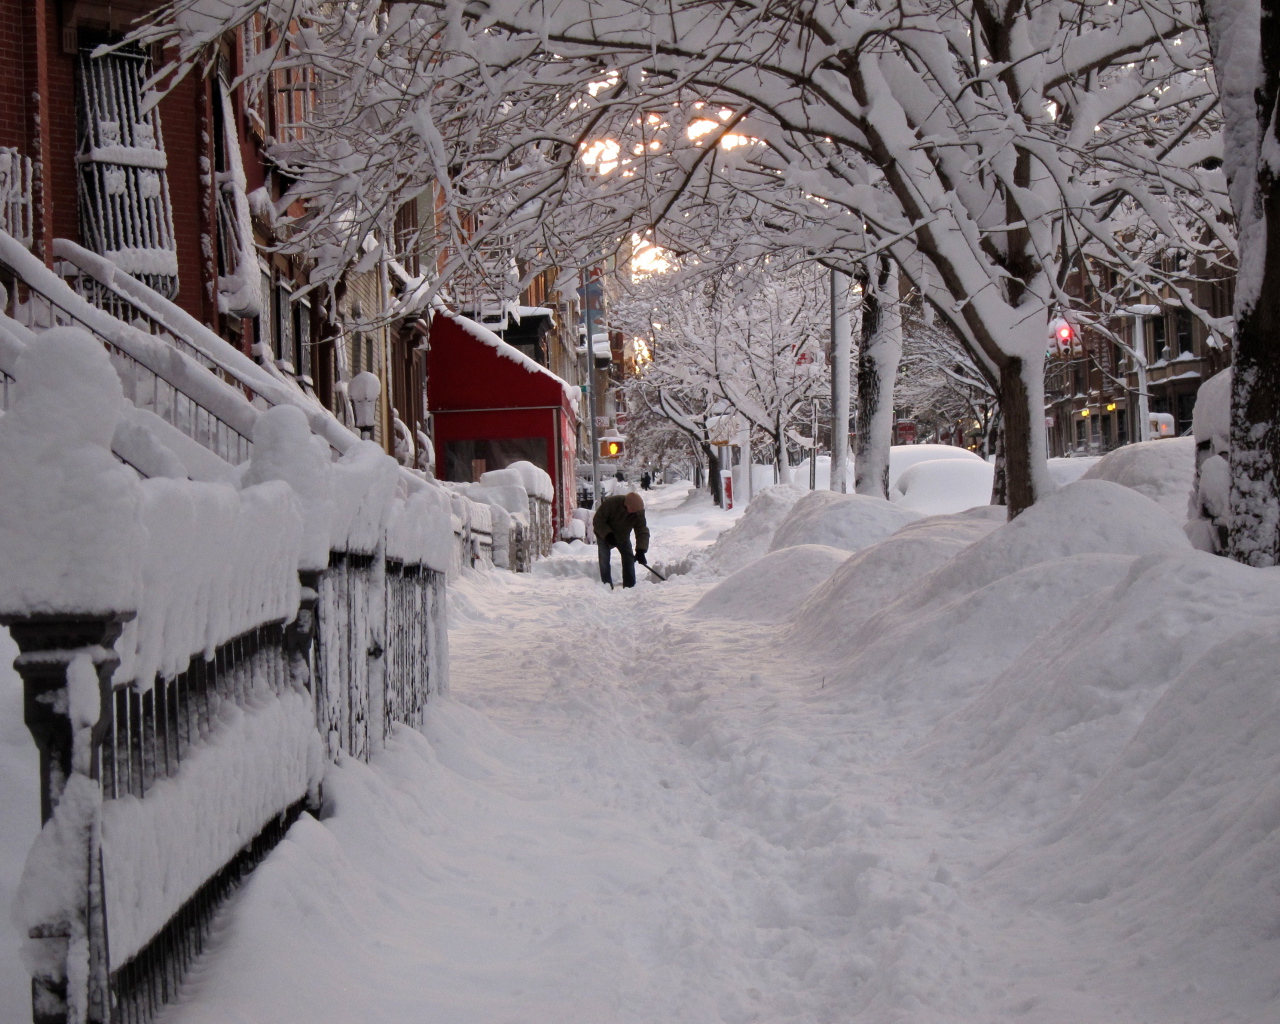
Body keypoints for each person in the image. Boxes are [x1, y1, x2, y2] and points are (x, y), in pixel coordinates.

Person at [593, 491, 649, 588]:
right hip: (605, 537)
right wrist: (607, 534)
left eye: (636, 510)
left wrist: (641, 550)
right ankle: (606, 586)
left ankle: (630, 586)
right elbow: (598, 520)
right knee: (604, 562)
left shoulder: (638, 512)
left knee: (629, 560)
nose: (634, 512)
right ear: (626, 505)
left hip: (623, 537)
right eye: (632, 509)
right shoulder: (612, 503)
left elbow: (642, 530)